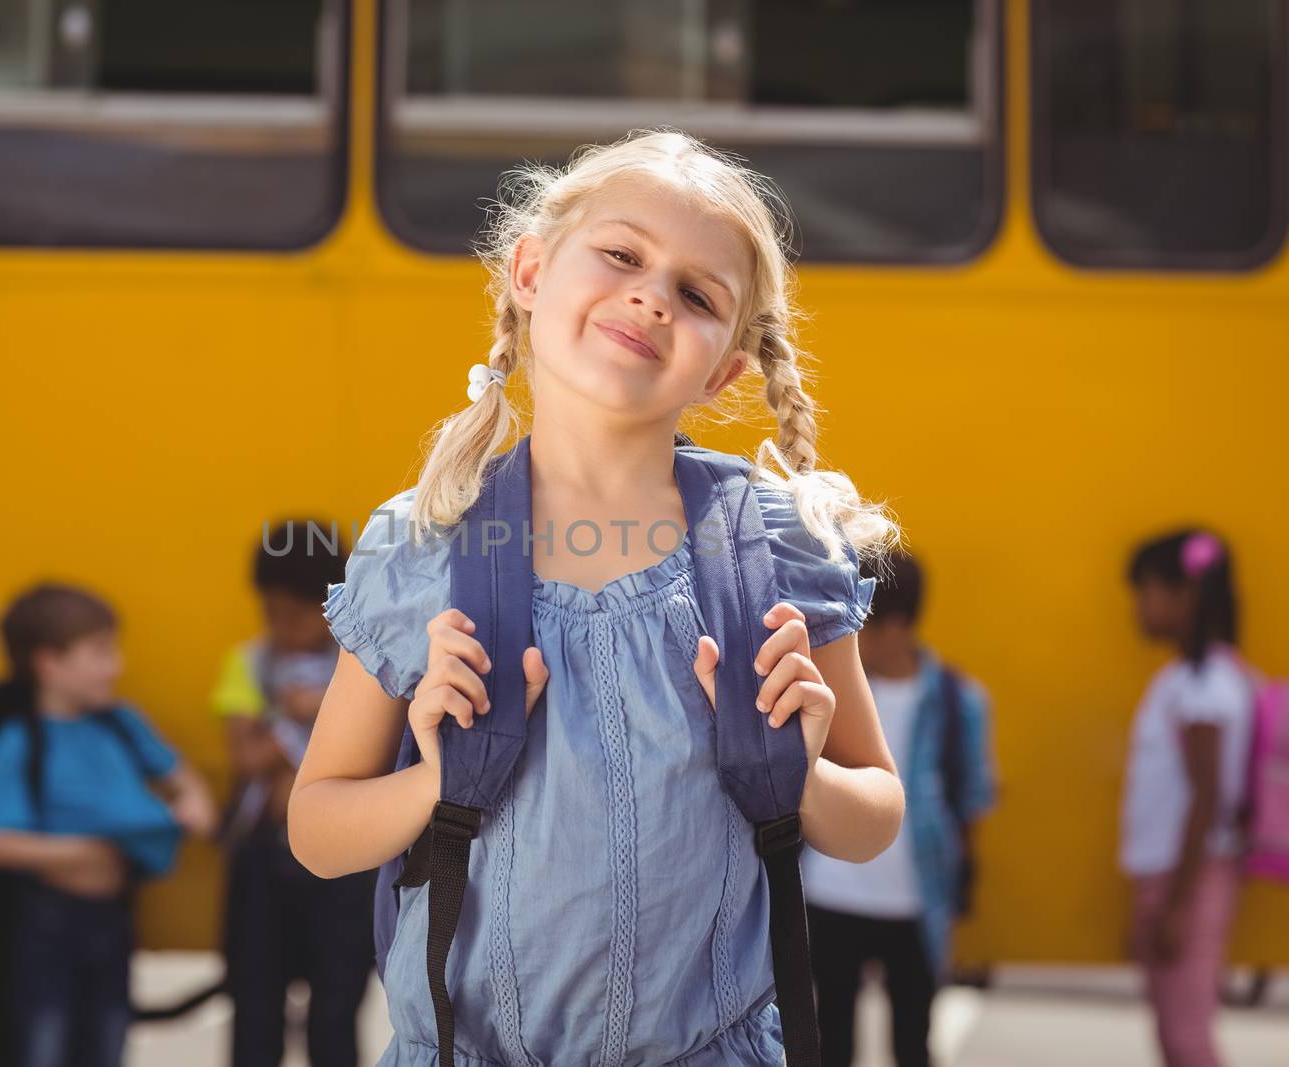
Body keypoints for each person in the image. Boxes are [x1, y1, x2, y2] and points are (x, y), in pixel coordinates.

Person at [288, 128, 905, 1065]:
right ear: (530, 271)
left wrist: (805, 771)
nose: (652, 295)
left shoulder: (775, 550)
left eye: (697, 296)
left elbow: (875, 814)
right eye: (622, 254)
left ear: (723, 370)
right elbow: (317, 830)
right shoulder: (426, 544)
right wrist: (432, 783)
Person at [0, 583, 216, 1067]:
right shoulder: (22, 740)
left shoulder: (121, 723)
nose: (115, 666)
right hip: (48, 923)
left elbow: (182, 781)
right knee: (46, 1045)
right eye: (100, 652)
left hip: (114, 920)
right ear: (48, 664)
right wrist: (82, 852)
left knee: (108, 1040)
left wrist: (191, 802)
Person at [803, 549, 996, 1067]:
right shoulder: (824, 692)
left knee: (913, 1042)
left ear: (892, 626)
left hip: (915, 901)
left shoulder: (959, 701)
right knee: (829, 1042)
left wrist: (959, 877)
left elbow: (972, 798)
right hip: (829, 894)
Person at [213, 519, 376, 1066]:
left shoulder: (370, 662)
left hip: (347, 871)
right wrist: (290, 716)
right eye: (271, 615)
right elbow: (246, 757)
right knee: (254, 1008)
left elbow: (381, 754)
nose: (282, 628)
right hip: (262, 864)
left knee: (337, 1010)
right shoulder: (251, 664)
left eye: (297, 615)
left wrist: (322, 710)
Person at [1122, 530, 1253, 1067]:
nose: (1139, 607)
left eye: (1147, 590)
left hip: (1189, 878)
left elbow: (1208, 798)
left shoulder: (1205, 684)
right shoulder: (1191, 678)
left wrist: (1176, 903)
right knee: (1176, 1035)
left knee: (1187, 1039)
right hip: (1176, 876)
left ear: (1186, 595)